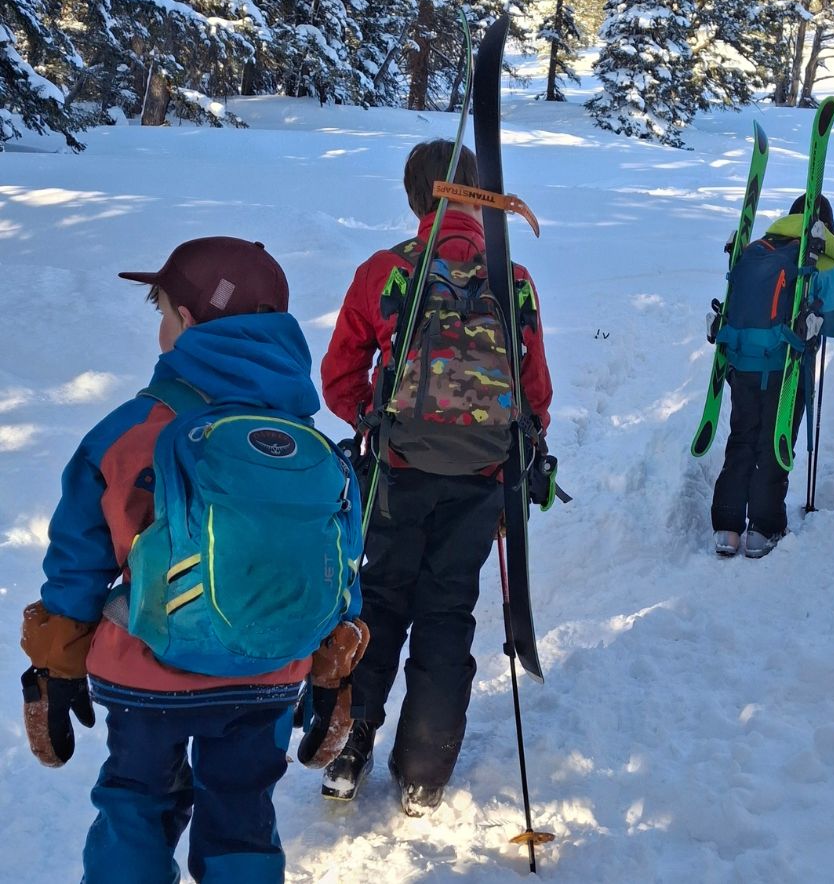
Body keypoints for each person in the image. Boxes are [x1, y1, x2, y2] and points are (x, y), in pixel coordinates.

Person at [19, 236, 368, 883]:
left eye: (163, 314)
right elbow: (338, 560)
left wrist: (56, 657)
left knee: (135, 803)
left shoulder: (134, 430)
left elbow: (79, 551)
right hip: (267, 672)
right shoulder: (305, 442)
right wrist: (331, 670)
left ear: (186, 320)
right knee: (241, 813)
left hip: (148, 671)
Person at [320, 139, 553, 812]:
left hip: (397, 473)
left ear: (414, 197)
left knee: (380, 601)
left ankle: (349, 749)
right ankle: (424, 772)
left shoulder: (384, 272)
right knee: (447, 612)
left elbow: (338, 376)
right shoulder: (512, 279)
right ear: (478, 196)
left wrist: (374, 419)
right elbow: (534, 391)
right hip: (480, 476)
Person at [710, 193, 834, 558]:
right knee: (776, 443)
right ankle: (764, 528)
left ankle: (726, 528)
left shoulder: (757, 249)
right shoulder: (817, 256)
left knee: (743, 438)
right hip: (786, 368)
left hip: (743, 363)